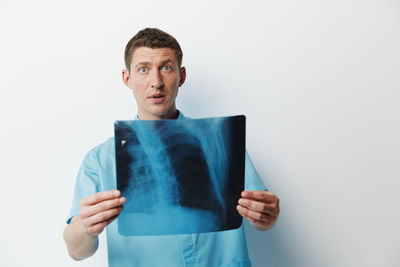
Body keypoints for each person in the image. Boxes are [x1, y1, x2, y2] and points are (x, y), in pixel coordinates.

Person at [63, 28, 280, 267]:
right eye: (143, 69)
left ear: (181, 75)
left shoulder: (223, 144)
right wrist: (85, 227)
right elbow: (77, 251)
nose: (156, 82)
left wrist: (266, 216)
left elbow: (263, 218)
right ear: (128, 79)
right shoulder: (100, 161)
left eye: (166, 67)